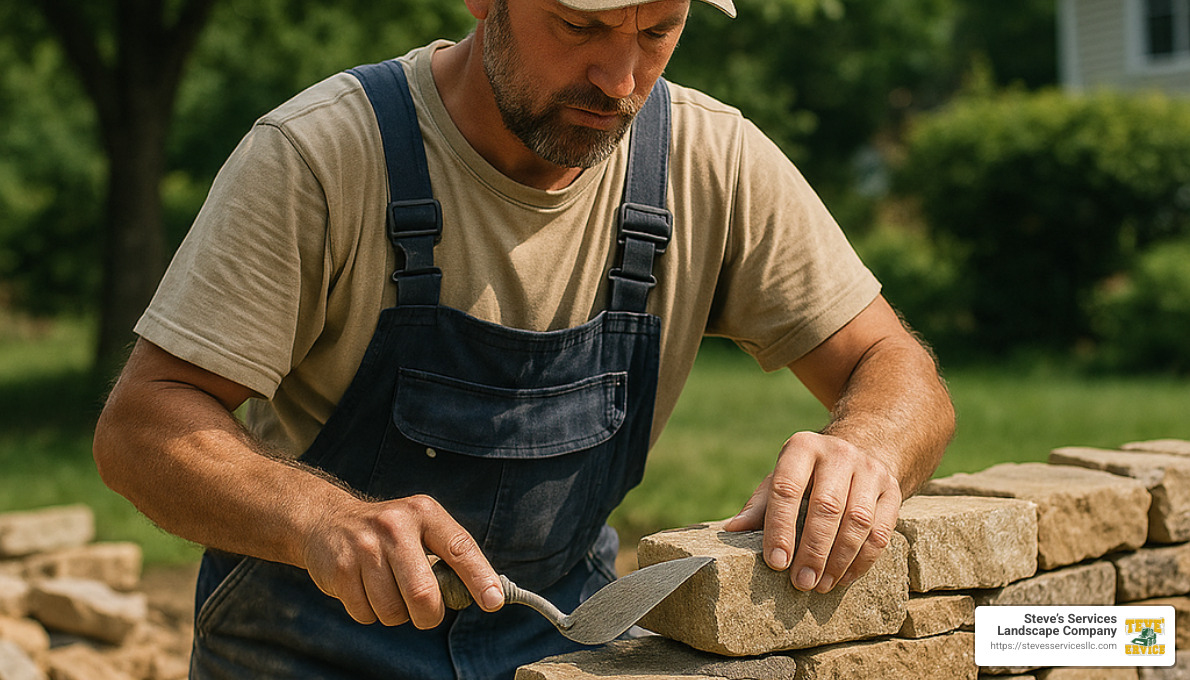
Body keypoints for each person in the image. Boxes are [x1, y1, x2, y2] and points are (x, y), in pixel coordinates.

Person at [93, 0, 955, 677]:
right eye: (580, 26)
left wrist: (866, 446)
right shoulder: (319, 157)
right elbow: (143, 427)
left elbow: (896, 367)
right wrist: (321, 519)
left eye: (660, 31)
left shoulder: (707, 159)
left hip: (562, 642)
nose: (620, 78)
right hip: (304, 646)